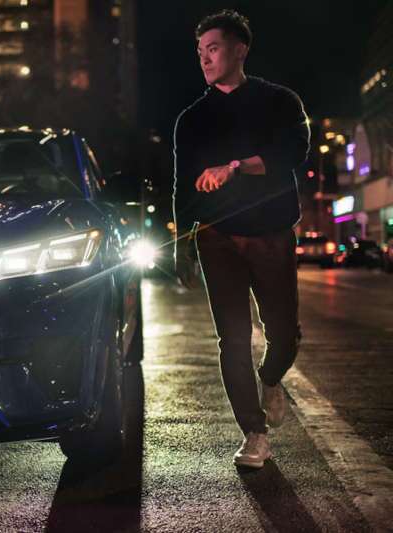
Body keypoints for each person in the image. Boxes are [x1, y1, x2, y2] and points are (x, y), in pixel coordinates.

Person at [172, 9, 310, 469]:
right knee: (231, 339)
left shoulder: (280, 101)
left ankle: (272, 379)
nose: (205, 59)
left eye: (213, 48)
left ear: (239, 50)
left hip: (271, 233)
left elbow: (293, 154)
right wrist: (182, 247)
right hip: (218, 238)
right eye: (199, 52)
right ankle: (254, 434)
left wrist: (232, 168)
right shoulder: (191, 119)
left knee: (284, 334)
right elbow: (181, 185)